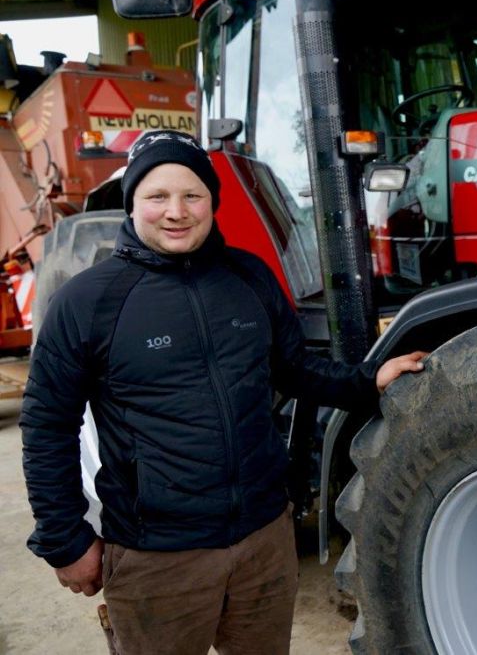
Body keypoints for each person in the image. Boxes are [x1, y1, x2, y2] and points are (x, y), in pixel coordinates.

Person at [20, 130, 425, 654]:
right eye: (158, 196)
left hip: (263, 541)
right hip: (159, 558)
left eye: (192, 195)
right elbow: (47, 427)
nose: (176, 212)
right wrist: (65, 541)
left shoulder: (249, 277)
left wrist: (368, 379)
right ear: (132, 203)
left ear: (211, 201)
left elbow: (295, 369)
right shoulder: (86, 302)